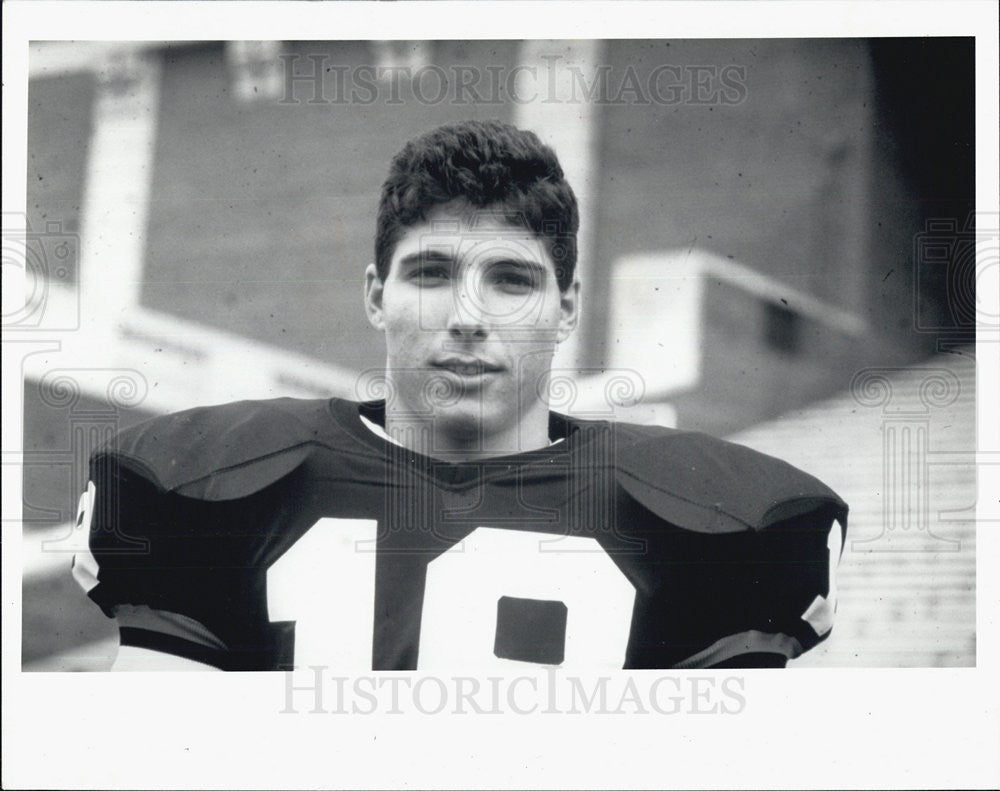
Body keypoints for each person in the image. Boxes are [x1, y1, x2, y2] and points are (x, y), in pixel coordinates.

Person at [72, 119, 847, 671]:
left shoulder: (711, 516)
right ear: (376, 295)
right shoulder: (215, 483)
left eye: (512, 279)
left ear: (567, 306)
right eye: (431, 272)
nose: (469, 317)